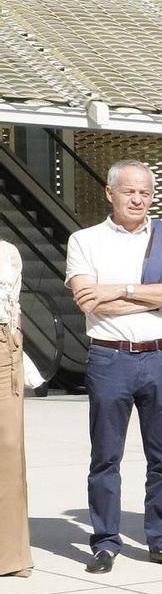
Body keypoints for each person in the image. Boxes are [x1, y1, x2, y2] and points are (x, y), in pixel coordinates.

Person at [65, 161, 162, 573]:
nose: (138, 199)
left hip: (161, 357)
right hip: (110, 357)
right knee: (105, 457)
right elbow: (87, 300)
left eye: (145, 192)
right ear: (110, 193)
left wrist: (117, 290)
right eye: (129, 191)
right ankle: (105, 542)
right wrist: (154, 296)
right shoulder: (84, 240)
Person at [0, 239, 27, 577]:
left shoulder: (7, 252)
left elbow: (14, 306)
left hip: (5, 348)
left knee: (8, 446)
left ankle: (11, 556)